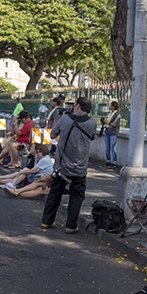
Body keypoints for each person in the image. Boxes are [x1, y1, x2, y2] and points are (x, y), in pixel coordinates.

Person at [41, 97, 97, 234]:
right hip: (80, 166)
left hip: (62, 165)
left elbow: (53, 134)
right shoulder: (92, 123)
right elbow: (92, 137)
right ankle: (71, 226)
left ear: (77, 106)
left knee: (55, 193)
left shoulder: (65, 119)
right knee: (77, 196)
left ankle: (46, 221)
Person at [102, 101, 121, 169]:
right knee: (107, 148)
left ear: (113, 107)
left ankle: (114, 162)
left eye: (110, 105)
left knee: (113, 148)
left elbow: (117, 125)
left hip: (113, 133)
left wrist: (109, 123)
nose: (109, 106)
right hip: (107, 132)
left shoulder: (117, 115)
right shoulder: (109, 114)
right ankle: (108, 161)